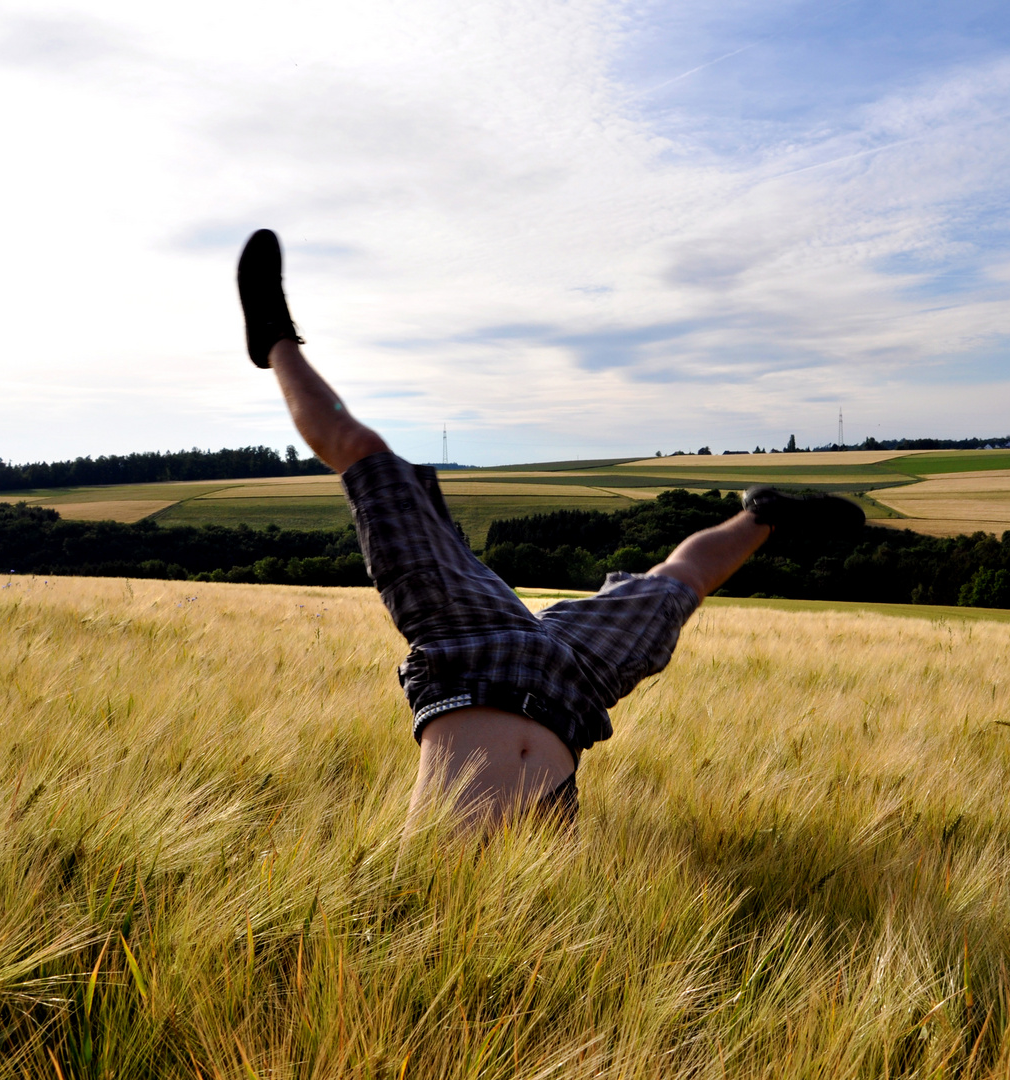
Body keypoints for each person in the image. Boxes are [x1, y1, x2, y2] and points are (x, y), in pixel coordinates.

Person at [236, 229, 864, 829]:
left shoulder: (420, 900)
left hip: (467, 643)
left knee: (366, 454)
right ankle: (765, 514)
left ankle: (273, 340)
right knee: (679, 586)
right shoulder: (523, 903)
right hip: (573, 676)